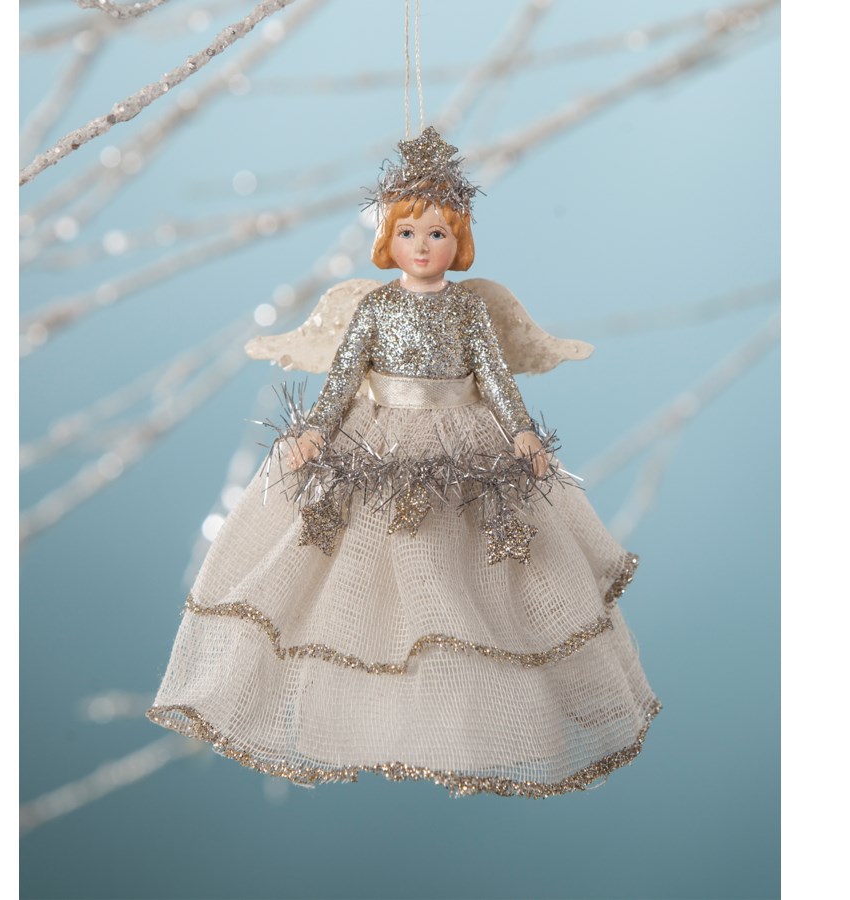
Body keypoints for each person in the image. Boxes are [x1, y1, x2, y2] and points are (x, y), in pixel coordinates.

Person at [148, 128, 660, 797]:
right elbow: (341, 379)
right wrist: (316, 432)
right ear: (387, 240)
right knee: (359, 565)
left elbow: (496, 378)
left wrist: (523, 433)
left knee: (468, 566)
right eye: (409, 233)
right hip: (377, 438)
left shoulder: (470, 310)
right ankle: (370, 704)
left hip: (462, 439)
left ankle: (468, 707)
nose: (423, 247)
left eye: (438, 234)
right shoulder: (373, 307)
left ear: (459, 242)